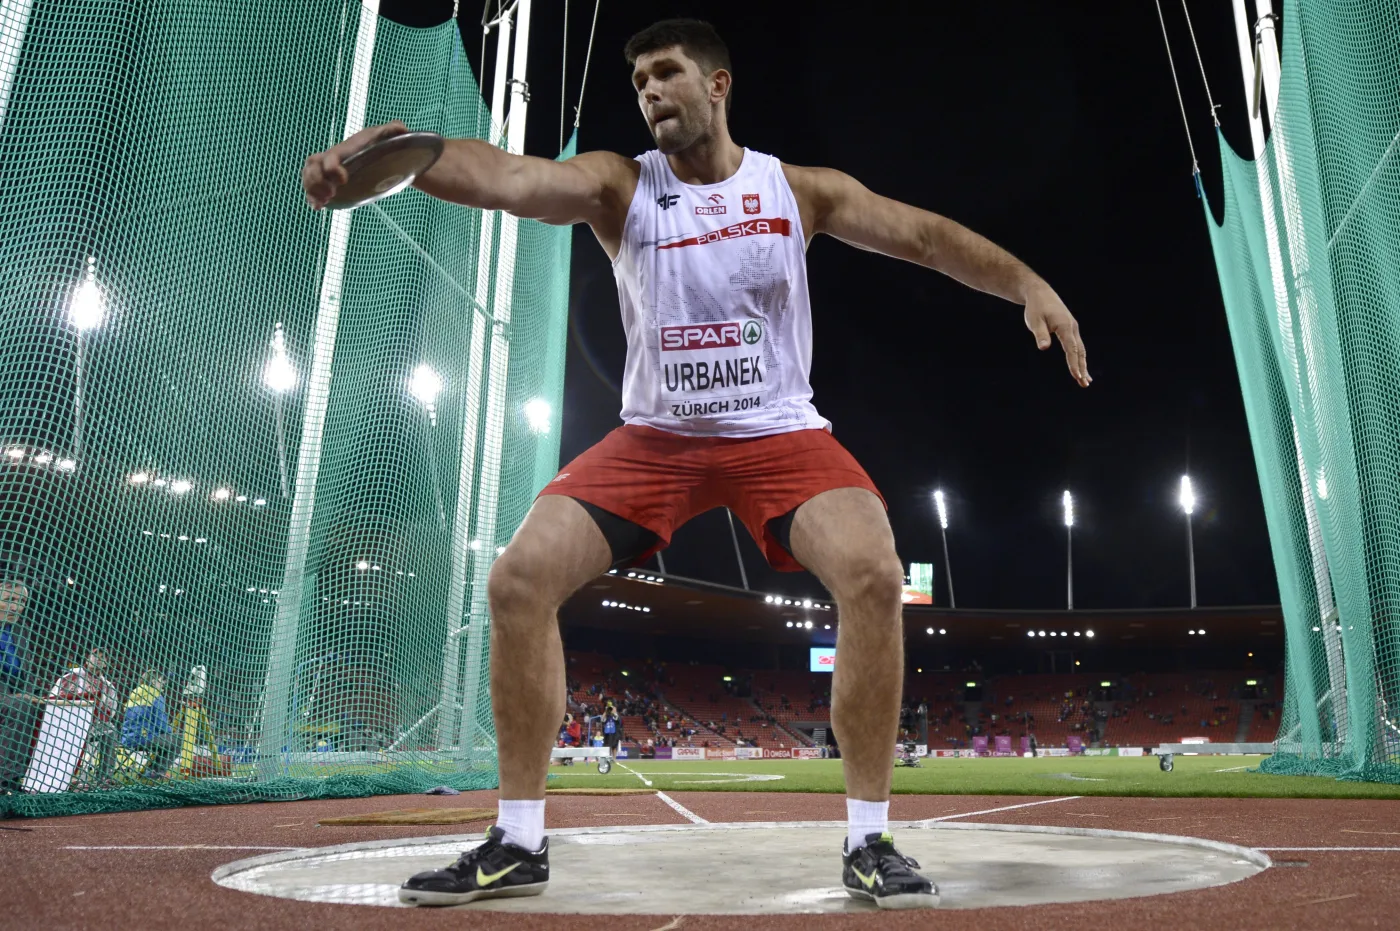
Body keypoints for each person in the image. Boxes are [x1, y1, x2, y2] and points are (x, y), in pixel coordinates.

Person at [305, 18, 1087, 911]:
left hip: (777, 433)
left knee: (874, 573)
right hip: (657, 439)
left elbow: (924, 237)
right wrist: (410, 157)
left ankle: (870, 840)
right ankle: (517, 841)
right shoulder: (620, 185)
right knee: (518, 581)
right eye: (640, 79)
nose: (649, 90)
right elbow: (515, 180)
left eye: (667, 72)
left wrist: (1027, 283)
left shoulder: (798, 190)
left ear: (717, 85)